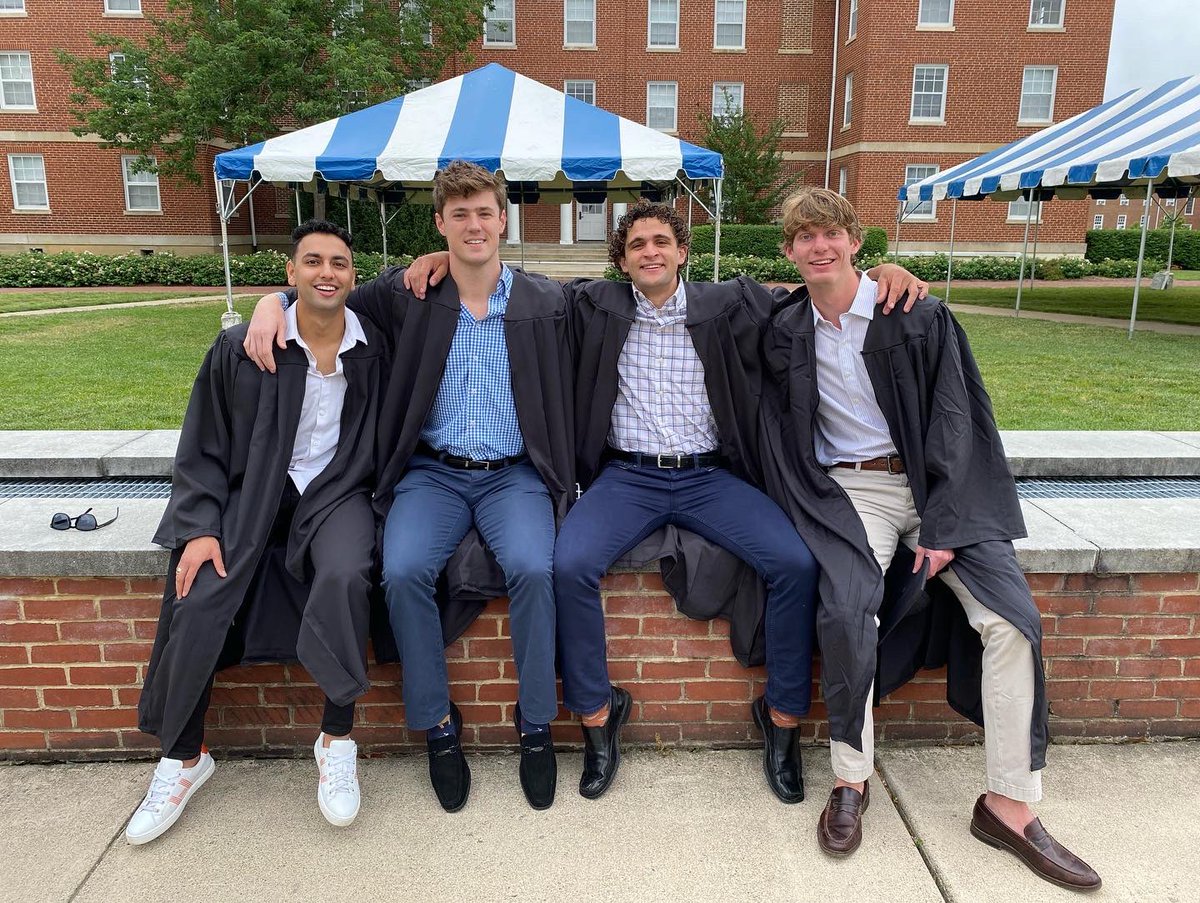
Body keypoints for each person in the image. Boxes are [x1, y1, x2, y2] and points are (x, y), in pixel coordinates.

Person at [404, 199, 927, 803]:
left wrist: (887, 272)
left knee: (795, 562)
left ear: (682, 252)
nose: (650, 252)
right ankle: (599, 717)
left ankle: (782, 719)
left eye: (661, 241)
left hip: (709, 478)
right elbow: (504, 278)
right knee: (569, 564)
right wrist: (445, 254)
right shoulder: (594, 306)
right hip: (628, 479)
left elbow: (817, 286)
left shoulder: (728, 303)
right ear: (621, 261)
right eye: (636, 245)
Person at [761, 187, 1100, 891]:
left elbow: (956, 419)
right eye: (804, 237)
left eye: (831, 233)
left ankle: (1009, 803)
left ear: (856, 241)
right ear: (790, 251)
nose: (819, 247)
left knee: (1013, 620)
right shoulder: (785, 326)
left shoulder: (914, 314)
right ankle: (851, 780)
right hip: (854, 491)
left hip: (939, 485)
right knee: (849, 608)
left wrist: (944, 522)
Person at [243, 162, 574, 813]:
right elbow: (325, 293)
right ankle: (438, 725)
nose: (474, 224)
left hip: (513, 475)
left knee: (536, 568)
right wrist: (269, 303)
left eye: (484, 212)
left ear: (504, 219)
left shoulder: (543, 300)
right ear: (440, 223)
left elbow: (619, 297)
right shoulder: (408, 294)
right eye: (460, 215)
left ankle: (536, 723)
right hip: (433, 473)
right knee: (401, 570)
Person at [130, 220, 384, 844]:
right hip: (256, 493)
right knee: (201, 588)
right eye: (313, 261)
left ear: (354, 277)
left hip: (336, 491)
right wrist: (198, 526)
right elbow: (204, 441)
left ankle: (336, 739)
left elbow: (427, 282)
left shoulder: (373, 344)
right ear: (291, 273)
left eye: (340, 263)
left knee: (348, 573)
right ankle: (184, 757)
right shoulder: (244, 346)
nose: (328, 272)